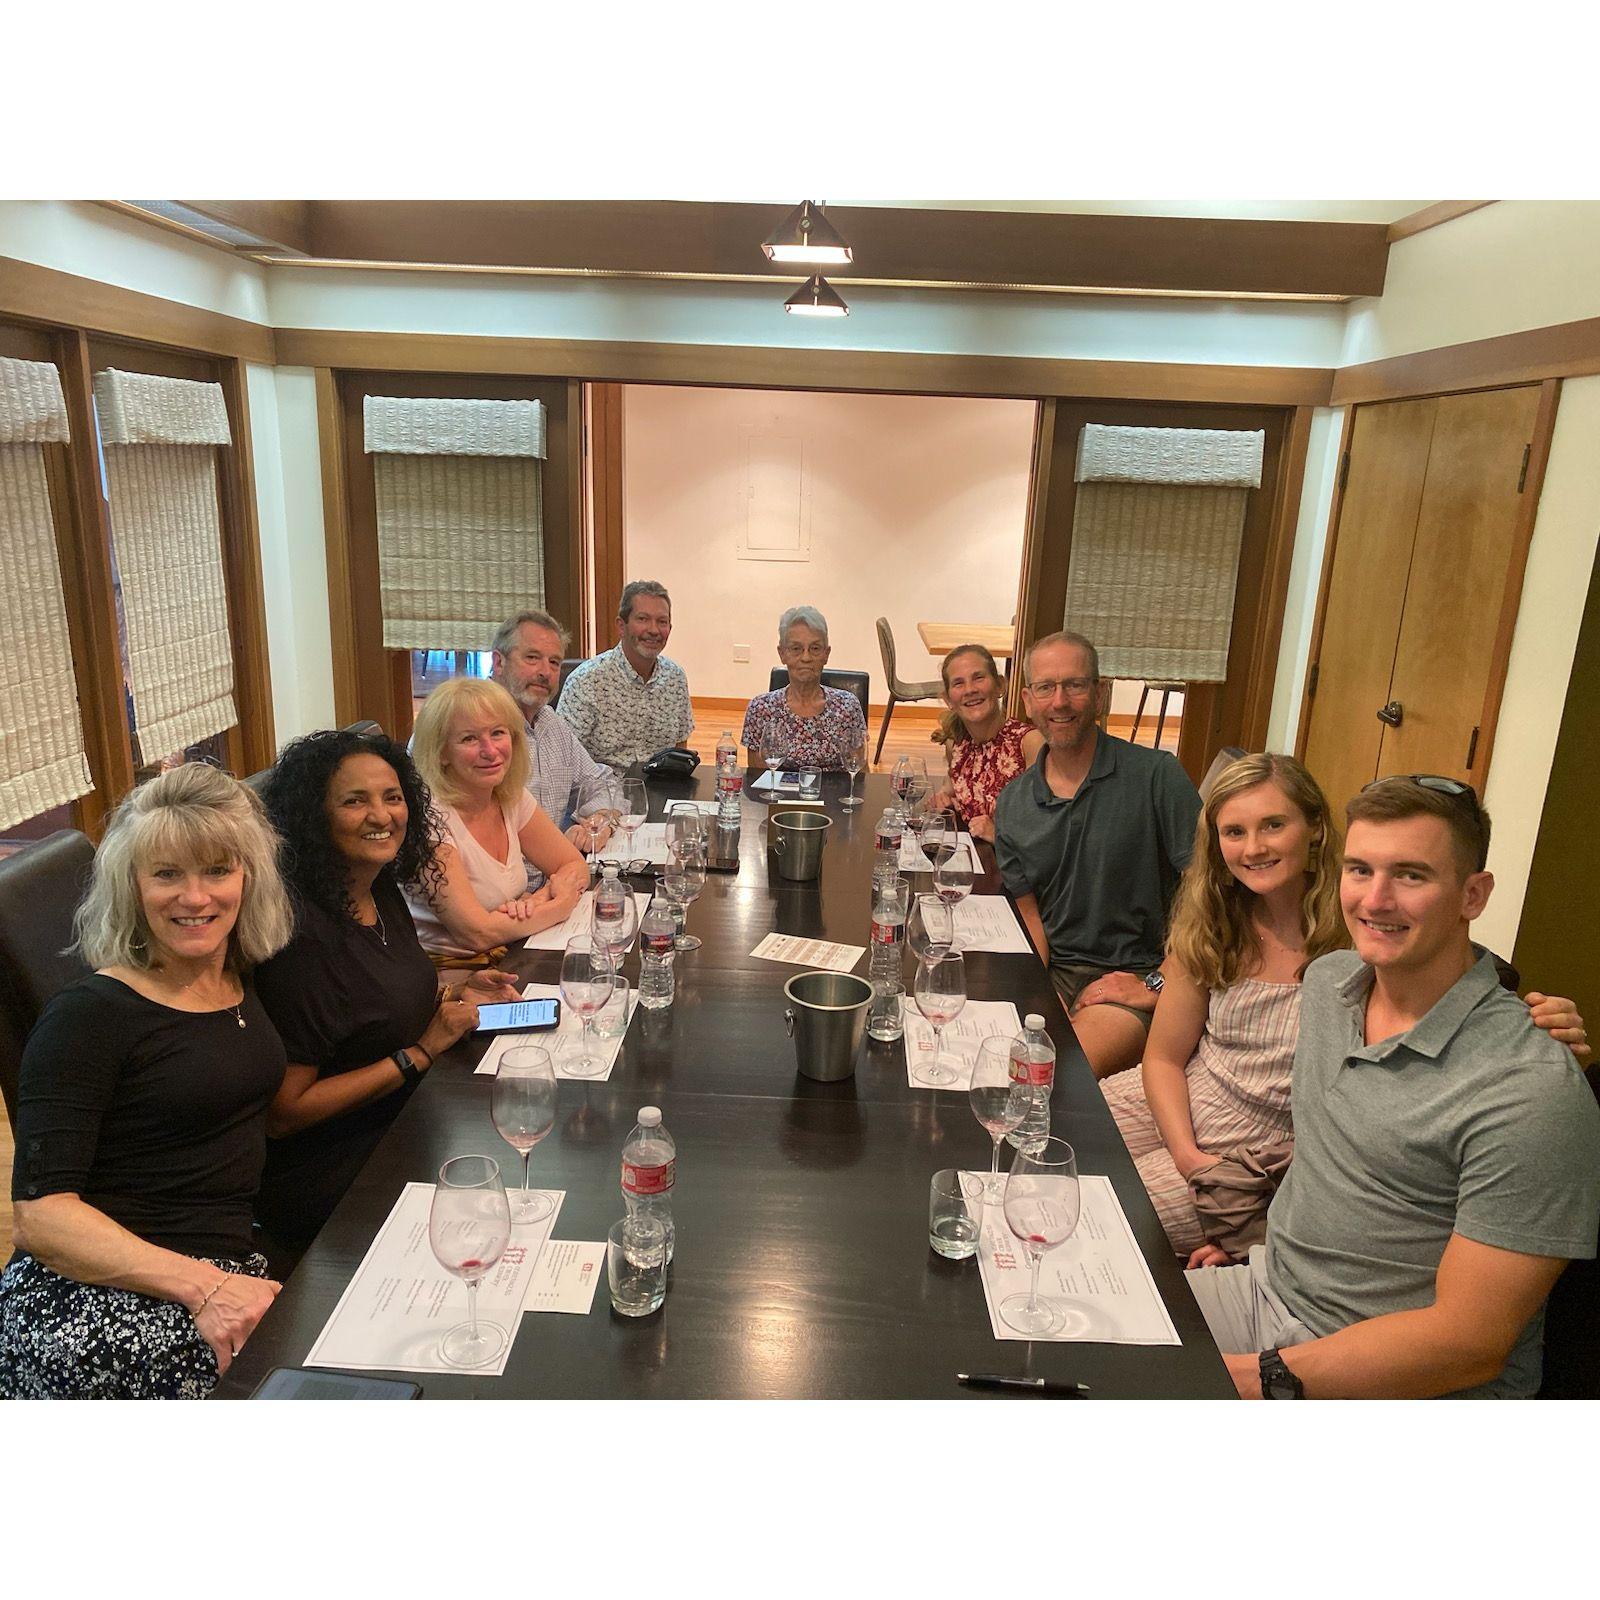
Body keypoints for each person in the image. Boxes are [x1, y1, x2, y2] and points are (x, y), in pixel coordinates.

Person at [1186, 777, 1600, 1398]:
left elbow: (1467, 1346)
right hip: (1266, 1291)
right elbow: (1340, 1157)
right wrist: (1257, 1248)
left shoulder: (1530, 1092)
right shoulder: (1328, 983)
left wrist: (1238, 1378)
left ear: (1473, 895)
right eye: (1360, 870)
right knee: (1053, 1333)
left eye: (1410, 875)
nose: (1375, 900)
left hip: (1396, 1376)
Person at [1104, 754, 1589, 1258]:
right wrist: (1186, 1154)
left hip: (1264, 1141)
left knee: (1105, 1216)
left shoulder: (1365, 928)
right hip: (1183, 1093)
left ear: (1315, 827)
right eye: (1234, 832)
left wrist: (1536, 1024)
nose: (1254, 847)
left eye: (1273, 825)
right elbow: (1163, 1057)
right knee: (1059, 1138)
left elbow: (1450, 980)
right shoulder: (1215, 918)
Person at [0, 765, 294, 1398]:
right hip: (100, 1293)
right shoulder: (89, 1016)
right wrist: (207, 1287)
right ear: (132, 887)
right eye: (166, 875)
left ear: (248, 878)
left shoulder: (234, 976)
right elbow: (41, 1218)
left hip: (220, 1260)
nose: (195, 897)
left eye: (217, 870)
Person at [254, 730, 523, 1243]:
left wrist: (456, 992)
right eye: (355, 801)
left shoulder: (374, 884)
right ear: (313, 815)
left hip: (409, 1117)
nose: (382, 816)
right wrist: (418, 1054)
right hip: (340, 1171)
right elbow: (284, 1114)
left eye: (393, 797)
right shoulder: (300, 938)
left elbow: (375, 1002)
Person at [994, 630, 1201, 1078]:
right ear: (1027, 701)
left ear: (1101, 693)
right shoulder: (1013, 803)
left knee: (1055, 1078)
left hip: (1134, 976)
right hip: (1055, 976)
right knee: (986, 1061)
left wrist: (1157, 983)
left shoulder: (1156, 776)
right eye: (1046, 687)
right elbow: (1031, 917)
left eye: (1075, 684)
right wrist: (1035, 995)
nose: (1060, 701)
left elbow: (1210, 895)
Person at [406, 677, 589, 962]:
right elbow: (477, 933)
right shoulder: (429, 819)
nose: (490, 751)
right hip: (450, 975)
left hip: (507, 954)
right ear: (441, 753)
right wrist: (559, 904)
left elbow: (574, 865)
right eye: (469, 738)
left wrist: (536, 902)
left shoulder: (508, 795)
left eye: (498, 733)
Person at [490, 609, 621, 855]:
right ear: (499, 662)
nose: (545, 672)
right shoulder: (470, 725)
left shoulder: (551, 723)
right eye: (532, 658)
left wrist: (601, 820)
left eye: (554, 662)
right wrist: (558, 848)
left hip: (557, 870)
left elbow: (601, 782)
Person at [557, 580, 693, 772]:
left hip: (662, 785)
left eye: (662, 621)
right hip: (603, 787)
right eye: (643, 619)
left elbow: (680, 746)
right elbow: (563, 758)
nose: (654, 630)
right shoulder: (585, 682)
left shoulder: (675, 678)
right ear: (621, 626)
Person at [928, 643, 1041, 842]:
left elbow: (1045, 831)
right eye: (958, 683)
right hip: (970, 855)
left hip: (1010, 861)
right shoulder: (957, 744)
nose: (970, 690)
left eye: (978, 678)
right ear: (948, 700)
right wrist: (941, 799)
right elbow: (949, 790)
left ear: (1000, 685)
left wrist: (998, 836)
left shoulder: (1029, 743)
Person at [740, 605, 867, 773]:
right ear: (782, 653)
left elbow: (859, 774)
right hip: (779, 791)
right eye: (796, 649)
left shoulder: (847, 707)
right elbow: (759, 778)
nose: (806, 657)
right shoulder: (761, 709)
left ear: (826, 654)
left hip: (835, 790)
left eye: (815, 648)